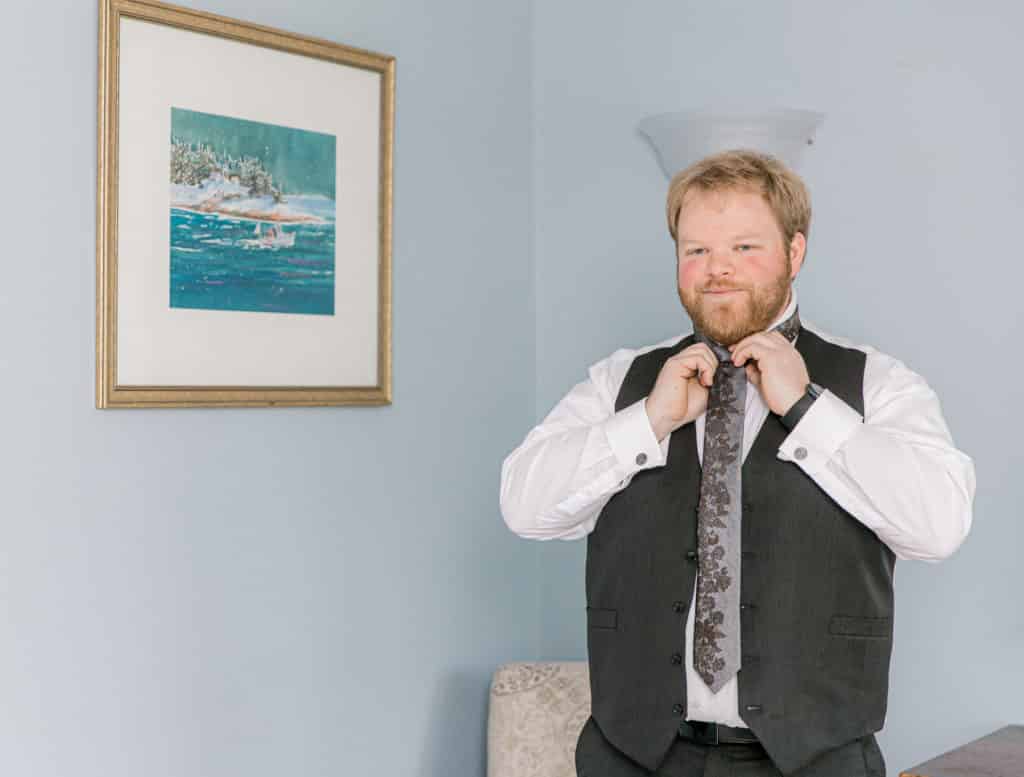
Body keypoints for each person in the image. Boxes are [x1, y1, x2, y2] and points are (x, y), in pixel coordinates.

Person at [499, 149, 976, 777]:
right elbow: (523, 508)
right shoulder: (619, 381)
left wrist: (806, 409)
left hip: (813, 761)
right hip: (632, 757)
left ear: (795, 253)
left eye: (745, 247)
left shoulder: (880, 385)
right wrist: (648, 420)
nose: (716, 269)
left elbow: (939, 526)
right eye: (695, 250)